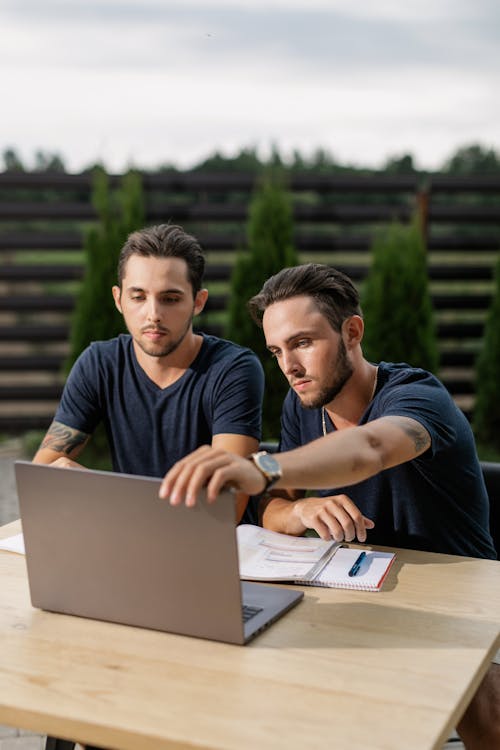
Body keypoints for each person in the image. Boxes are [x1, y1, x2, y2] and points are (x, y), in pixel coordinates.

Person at [160, 263, 499, 749]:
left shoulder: (418, 397)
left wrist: (265, 468)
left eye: (302, 343)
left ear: (352, 332)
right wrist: (297, 512)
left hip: (458, 601)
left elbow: (371, 450)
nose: (289, 367)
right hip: (364, 599)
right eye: (277, 350)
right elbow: (273, 509)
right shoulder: (304, 407)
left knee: (486, 718)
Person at [33, 223, 264, 522]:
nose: (153, 314)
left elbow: (224, 509)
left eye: (170, 298)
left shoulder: (233, 370)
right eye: (138, 296)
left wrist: (99, 492)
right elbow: (42, 477)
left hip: (215, 552)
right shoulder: (100, 364)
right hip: (131, 538)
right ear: (119, 300)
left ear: (198, 302)